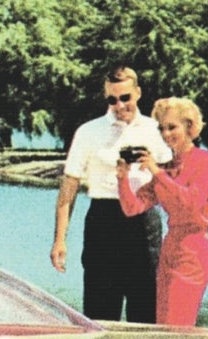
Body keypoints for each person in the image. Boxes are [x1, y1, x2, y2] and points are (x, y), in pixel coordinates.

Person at [51, 65, 170, 321]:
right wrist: (60, 239)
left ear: (137, 93)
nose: (119, 105)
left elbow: (174, 180)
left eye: (125, 97)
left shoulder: (156, 130)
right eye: (112, 99)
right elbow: (69, 188)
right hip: (103, 222)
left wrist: (151, 164)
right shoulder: (88, 131)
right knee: (100, 312)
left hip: (144, 220)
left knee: (147, 311)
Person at [118, 95, 208, 327]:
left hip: (193, 250)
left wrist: (156, 171)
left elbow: (190, 202)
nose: (166, 134)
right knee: (163, 325)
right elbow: (132, 208)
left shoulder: (206, 162)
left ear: (190, 127)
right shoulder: (167, 168)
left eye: (172, 127)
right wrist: (123, 179)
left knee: (177, 325)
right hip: (169, 248)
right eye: (161, 128)